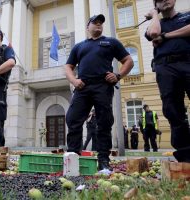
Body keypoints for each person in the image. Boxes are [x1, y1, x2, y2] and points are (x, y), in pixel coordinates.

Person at [65, 14, 134, 170]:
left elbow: (128, 61)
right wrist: (74, 81)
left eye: (100, 23)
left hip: (103, 86)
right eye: (95, 22)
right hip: (82, 87)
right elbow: (68, 66)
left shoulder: (111, 42)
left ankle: (103, 160)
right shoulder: (79, 46)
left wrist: (118, 75)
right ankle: (73, 158)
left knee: (104, 123)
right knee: (73, 119)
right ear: (87, 26)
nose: (98, 25)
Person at [145, 0, 190, 162]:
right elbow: (153, 34)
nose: (165, 0)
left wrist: (167, 36)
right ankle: (185, 155)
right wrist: (155, 14)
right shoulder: (156, 23)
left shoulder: (186, 16)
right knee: (172, 109)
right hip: (165, 66)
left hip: (187, 61)